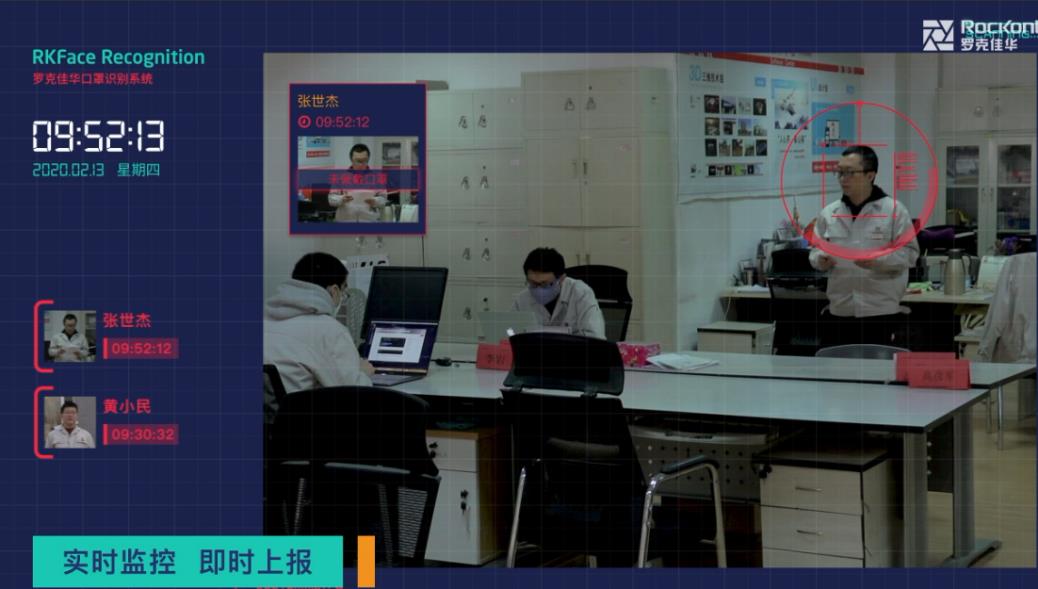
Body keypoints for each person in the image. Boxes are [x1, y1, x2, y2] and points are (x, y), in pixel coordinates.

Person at [809, 145, 920, 347]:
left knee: (877, 366)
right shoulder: (829, 213)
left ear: (870, 175)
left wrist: (879, 261)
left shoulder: (894, 211)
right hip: (840, 310)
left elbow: (910, 254)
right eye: (840, 172)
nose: (843, 179)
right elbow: (815, 251)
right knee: (835, 364)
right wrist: (819, 260)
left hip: (880, 312)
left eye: (850, 172)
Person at [264, 252, 374, 392]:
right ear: (335, 291)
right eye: (344, 291)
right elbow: (354, 393)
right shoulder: (330, 330)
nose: (343, 298)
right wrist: (363, 373)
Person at [512, 247, 606, 339]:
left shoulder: (581, 294)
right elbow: (510, 333)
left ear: (561, 279)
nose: (538, 289)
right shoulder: (521, 300)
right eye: (533, 283)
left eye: (545, 284)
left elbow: (596, 338)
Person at [329, 143, 388, 222]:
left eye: (364, 161)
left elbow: (383, 199)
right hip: (346, 220)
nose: (361, 164)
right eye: (358, 161)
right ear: (351, 160)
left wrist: (375, 201)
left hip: (369, 220)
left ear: (368, 160)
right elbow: (331, 199)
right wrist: (341, 199)